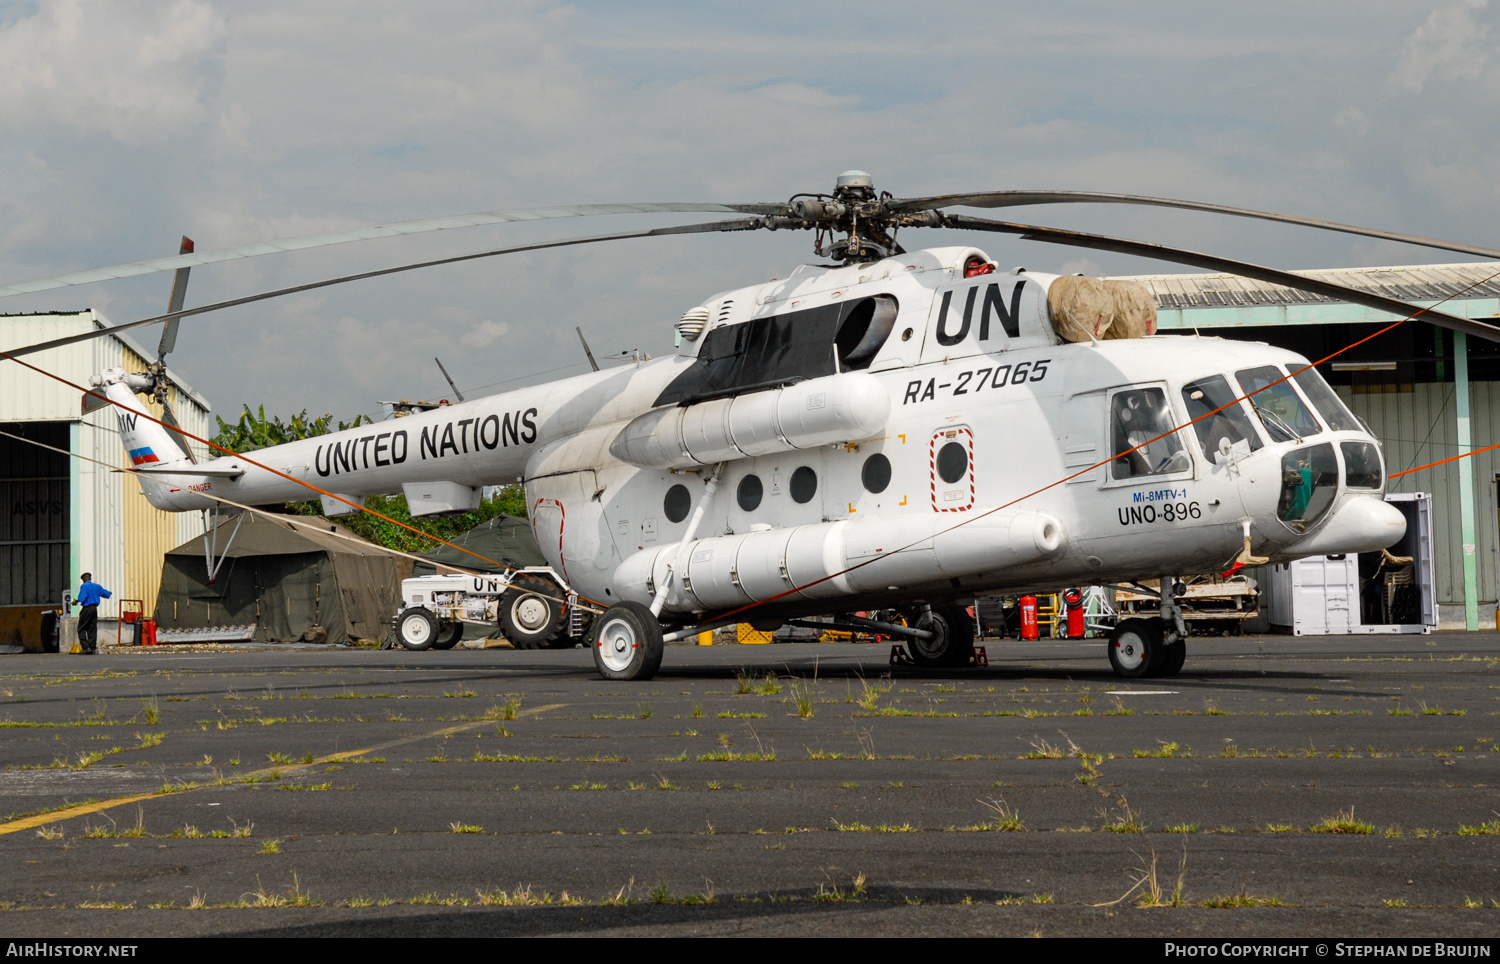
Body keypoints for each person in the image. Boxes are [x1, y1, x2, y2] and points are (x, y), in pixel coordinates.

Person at [76, 572, 111, 655]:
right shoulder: (97, 586)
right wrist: (109, 593)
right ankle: (92, 647)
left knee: (81, 628)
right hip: (94, 609)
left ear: (84, 579)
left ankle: (86, 647)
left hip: (87, 609)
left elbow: (82, 598)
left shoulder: (84, 586)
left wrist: (77, 601)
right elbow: (106, 594)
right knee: (92, 628)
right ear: (90, 578)